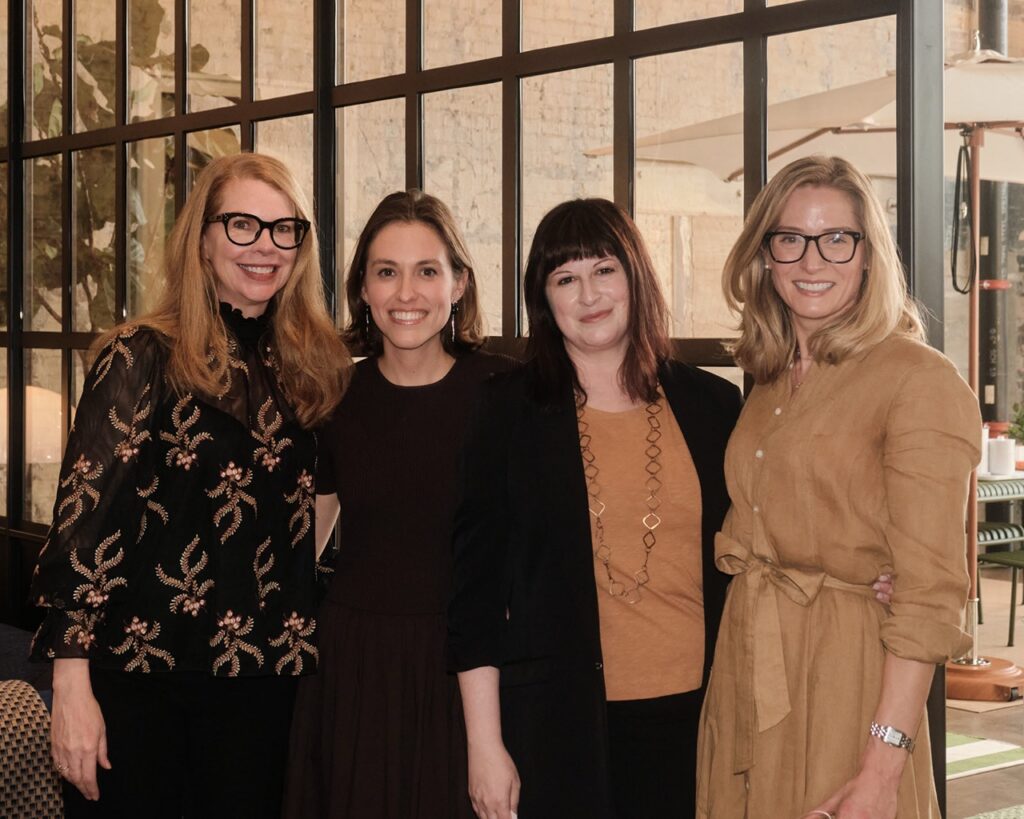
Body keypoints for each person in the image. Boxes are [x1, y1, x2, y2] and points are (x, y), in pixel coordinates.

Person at [29, 152, 350, 818]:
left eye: (284, 228)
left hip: (268, 689)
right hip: (143, 685)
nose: (265, 245)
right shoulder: (140, 354)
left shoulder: (314, 366)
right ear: (201, 238)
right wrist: (70, 686)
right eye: (242, 225)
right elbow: (83, 528)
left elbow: (327, 509)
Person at [696, 155, 981, 819]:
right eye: (790, 238)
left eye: (836, 238)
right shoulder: (767, 379)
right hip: (746, 671)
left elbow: (931, 595)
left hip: (848, 678)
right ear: (765, 254)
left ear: (867, 254)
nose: (810, 259)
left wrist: (883, 765)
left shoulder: (917, 380)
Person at [447, 198, 743, 819]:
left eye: (604, 270)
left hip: (702, 716)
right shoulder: (506, 410)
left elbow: (764, 544)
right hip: (557, 725)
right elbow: (474, 595)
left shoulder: (712, 405)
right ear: (544, 300)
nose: (589, 294)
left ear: (636, 276)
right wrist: (484, 745)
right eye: (565, 278)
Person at [284, 190, 514, 819]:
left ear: (459, 285)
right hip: (354, 667)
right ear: (363, 288)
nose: (406, 293)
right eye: (387, 272)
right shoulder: (336, 396)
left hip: (469, 668)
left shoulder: (504, 393)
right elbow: (306, 537)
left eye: (427, 271)